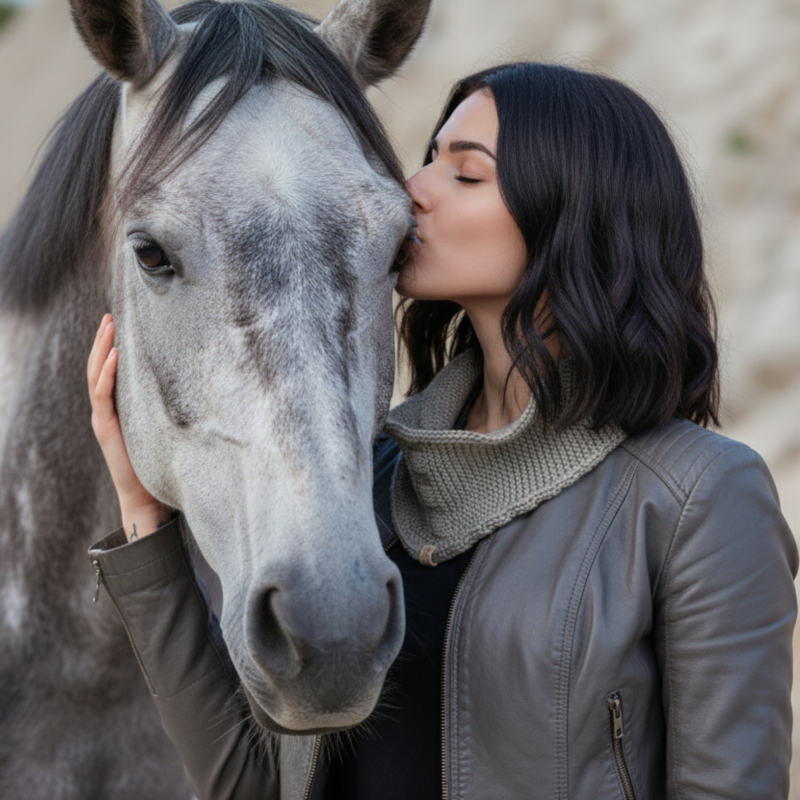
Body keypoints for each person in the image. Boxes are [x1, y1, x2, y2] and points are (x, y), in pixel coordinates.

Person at [87, 62, 798, 800]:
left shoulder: (699, 499)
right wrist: (146, 517)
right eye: (428, 158)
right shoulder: (376, 475)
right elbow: (249, 788)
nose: (410, 188)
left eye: (465, 176)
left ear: (574, 212)